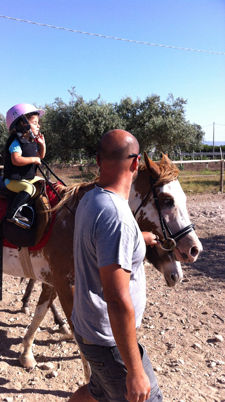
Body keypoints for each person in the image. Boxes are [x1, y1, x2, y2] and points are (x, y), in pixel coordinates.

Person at [69, 130, 163, 402]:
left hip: (87, 327)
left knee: (96, 393)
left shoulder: (91, 199)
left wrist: (138, 240)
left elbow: (98, 246)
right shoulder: (117, 218)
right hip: (108, 340)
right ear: (135, 164)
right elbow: (117, 299)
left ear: (98, 160)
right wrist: (134, 370)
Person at [4, 103, 46, 228]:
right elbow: (16, 160)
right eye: (34, 123)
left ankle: (30, 207)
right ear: (23, 124)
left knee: (43, 182)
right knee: (28, 189)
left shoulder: (29, 142)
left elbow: (40, 156)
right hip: (13, 180)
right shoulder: (16, 141)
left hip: (26, 177)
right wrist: (33, 159)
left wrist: (42, 145)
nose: (38, 126)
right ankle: (13, 214)